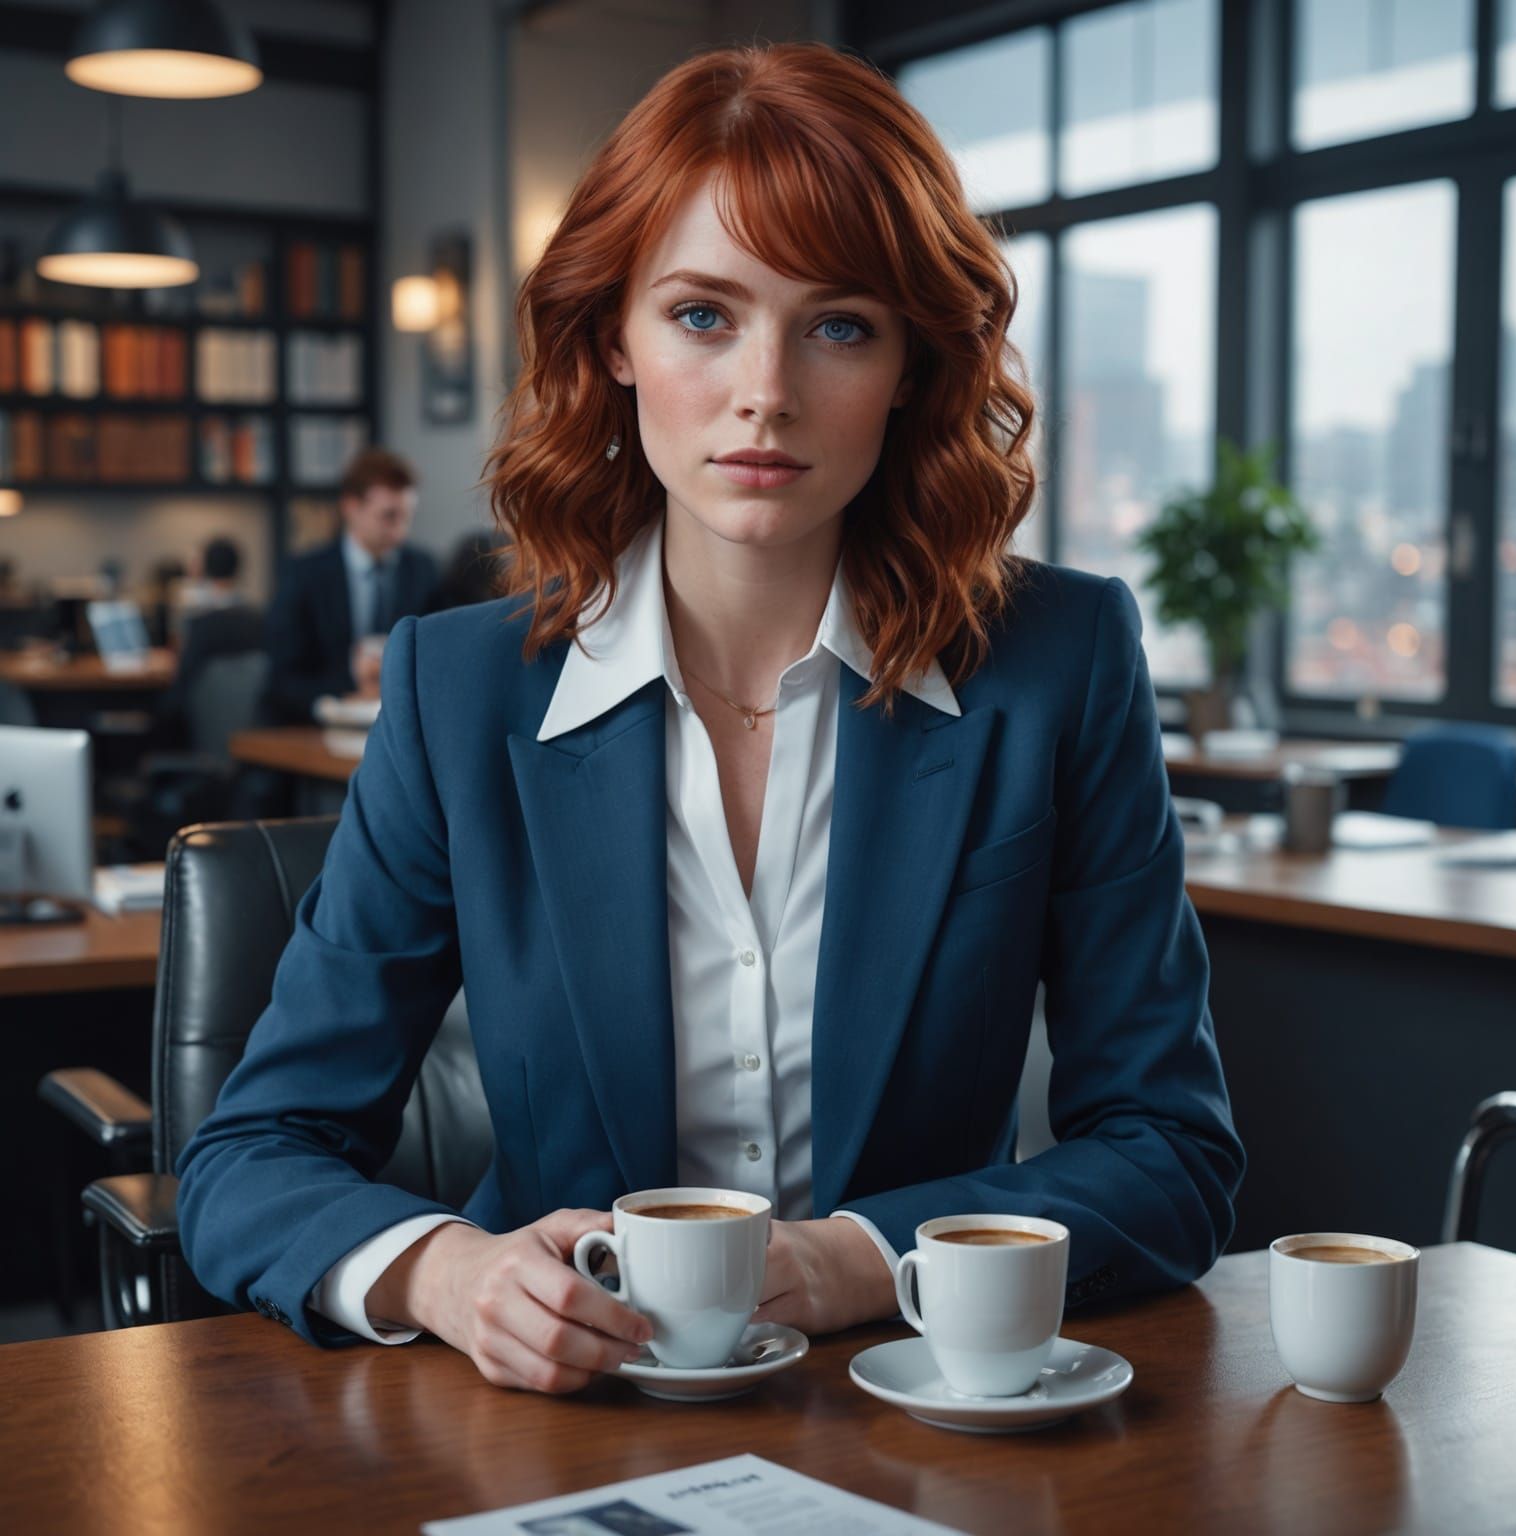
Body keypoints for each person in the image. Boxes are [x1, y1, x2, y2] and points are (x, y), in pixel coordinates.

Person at [177, 42, 1244, 1396]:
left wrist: (858, 1261)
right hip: (555, 1420)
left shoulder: (1059, 664)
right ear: (612, 339)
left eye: (839, 325)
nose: (767, 391)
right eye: (701, 315)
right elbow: (249, 1158)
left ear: (913, 365)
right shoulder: (460, 689)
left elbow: (1169, 1153)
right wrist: (447, 1273)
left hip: (923, 1408)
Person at [263, 448, 437, 722]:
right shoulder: (304, 575)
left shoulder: (422, 570)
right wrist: (344, 691)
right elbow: (282, 680)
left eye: (407, 517)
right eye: (389, 516)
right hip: (316, 724)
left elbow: (435, 656)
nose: (400, 530)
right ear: (351, 508)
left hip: (400, 723)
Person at [158, 537, 264, 740]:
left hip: (199, 728)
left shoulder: (200, 622)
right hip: (252, 728)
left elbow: (179, 690)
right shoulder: (257, 618)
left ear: (205, 568)